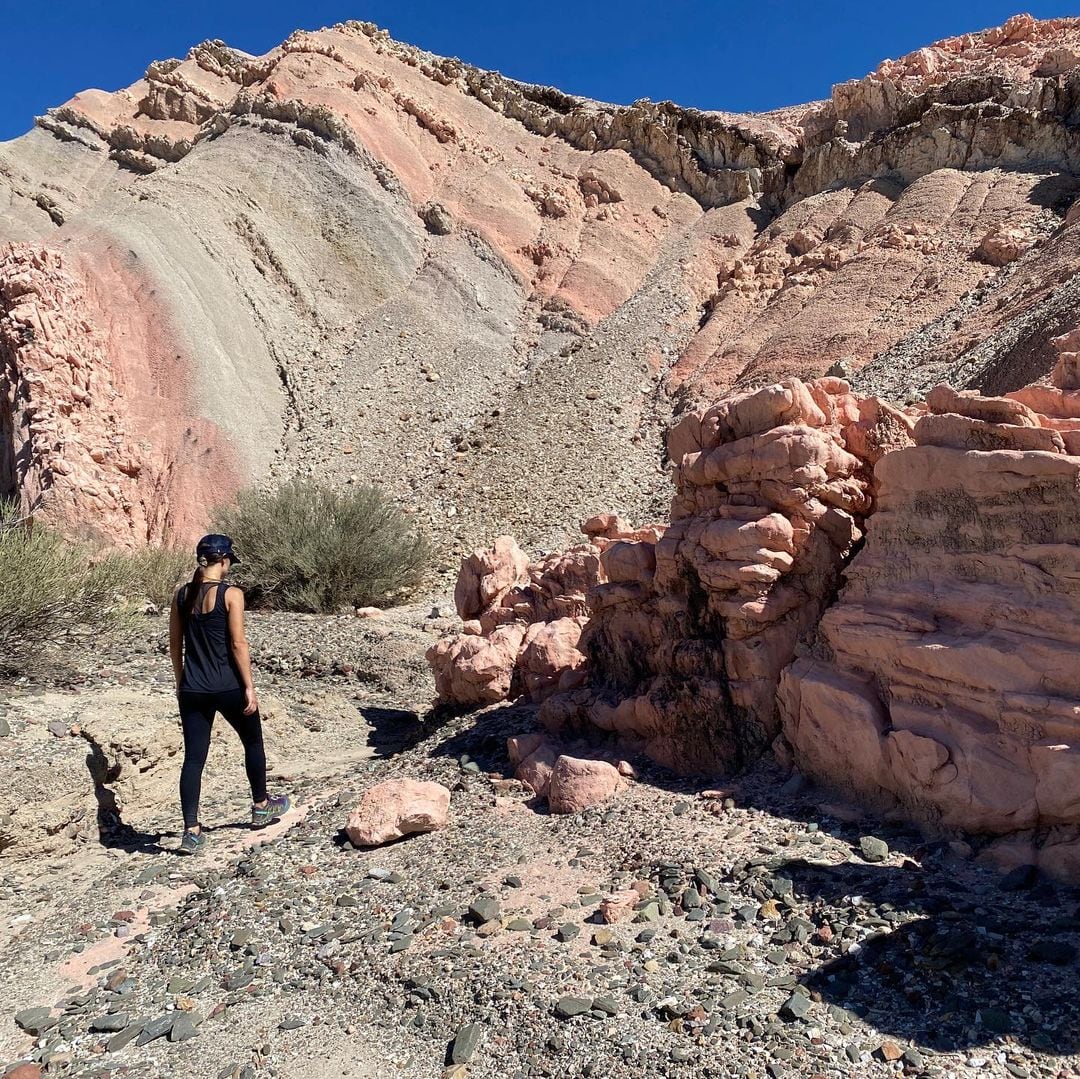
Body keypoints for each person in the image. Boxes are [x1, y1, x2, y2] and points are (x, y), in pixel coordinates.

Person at [169, 534, 290, 854]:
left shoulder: (181, 595)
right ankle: (261, 805)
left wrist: (182, 681)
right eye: (228, 562)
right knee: (252, 741)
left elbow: (175, 646)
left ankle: (191, 831)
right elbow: (238, 644)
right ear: (223, 561)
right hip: (228, 686)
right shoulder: (231, 594)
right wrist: (249, 686)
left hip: (192, 689)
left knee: (194, 758)